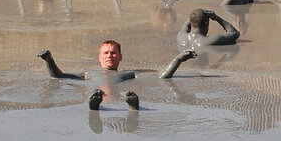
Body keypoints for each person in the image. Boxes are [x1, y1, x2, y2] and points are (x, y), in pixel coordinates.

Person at [38, 40, 196, 108]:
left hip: (117, 98)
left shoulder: (129, 74)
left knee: (129, 99)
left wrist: (178, 59)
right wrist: (49, 60)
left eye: (113, 53)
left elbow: (163, 76)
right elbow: (58, 76)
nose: (109, 56)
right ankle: (94, 104)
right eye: (106, 53)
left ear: (120, 57)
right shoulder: (88, 73)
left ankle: (132, 106)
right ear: (99, 57)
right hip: (95, 96)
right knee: (95, 97)